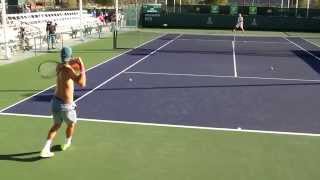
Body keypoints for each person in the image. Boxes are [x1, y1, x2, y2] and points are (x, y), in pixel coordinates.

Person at [40, 47, 87, 158]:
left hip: (55, 102)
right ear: (70, 56)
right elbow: (82, 83)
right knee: (71, 124)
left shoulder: (58, 67)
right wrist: (82, 65)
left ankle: (45, 148)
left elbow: (67, 65)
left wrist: (72, 62)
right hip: (66, 106)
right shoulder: (69, 70)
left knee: (56, 125)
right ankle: (68, 142)